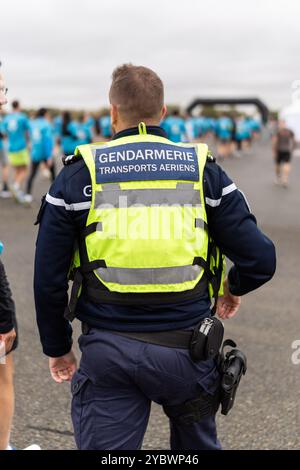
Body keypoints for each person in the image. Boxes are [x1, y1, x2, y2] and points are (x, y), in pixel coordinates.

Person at [34, 64, 276, 451]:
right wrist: (231, 287)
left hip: (107, 352)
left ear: (112, 112)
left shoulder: (79, 175)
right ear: (163, 113)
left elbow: (47, 279)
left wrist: (58, 347)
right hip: (189, 351)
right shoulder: (204, 171)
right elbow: (261, 258)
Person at [24, 108, 56, 203]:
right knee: (54, 176)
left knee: (32, 174)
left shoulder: (32, 123)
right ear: (45, 114)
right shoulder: (46, 124)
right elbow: (47, 141)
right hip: (44, 153)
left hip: (35, 152)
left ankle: (27, 195)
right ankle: (56, 196)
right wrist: (49, 156)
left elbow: (29, 136)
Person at [1, 100, 30, 203]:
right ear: (18, 106)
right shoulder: (22, 117)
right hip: (21, 146)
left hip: (10, 147)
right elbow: (28, 131)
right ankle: (16, 186)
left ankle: (16, 190)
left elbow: (3, 133)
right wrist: (29, 143)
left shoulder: (7, 118)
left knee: (17, 169)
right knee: (25, 169)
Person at [272, 120, 296, 187]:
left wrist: (273, 151)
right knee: (286, 164)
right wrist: (293, 148)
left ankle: (278, 177)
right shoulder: (289, 131)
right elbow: (294, 140)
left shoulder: (277, 131)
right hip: (287, 150)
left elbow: (274, 141)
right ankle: (285, 179)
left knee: (278, 164)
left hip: (279, 150)